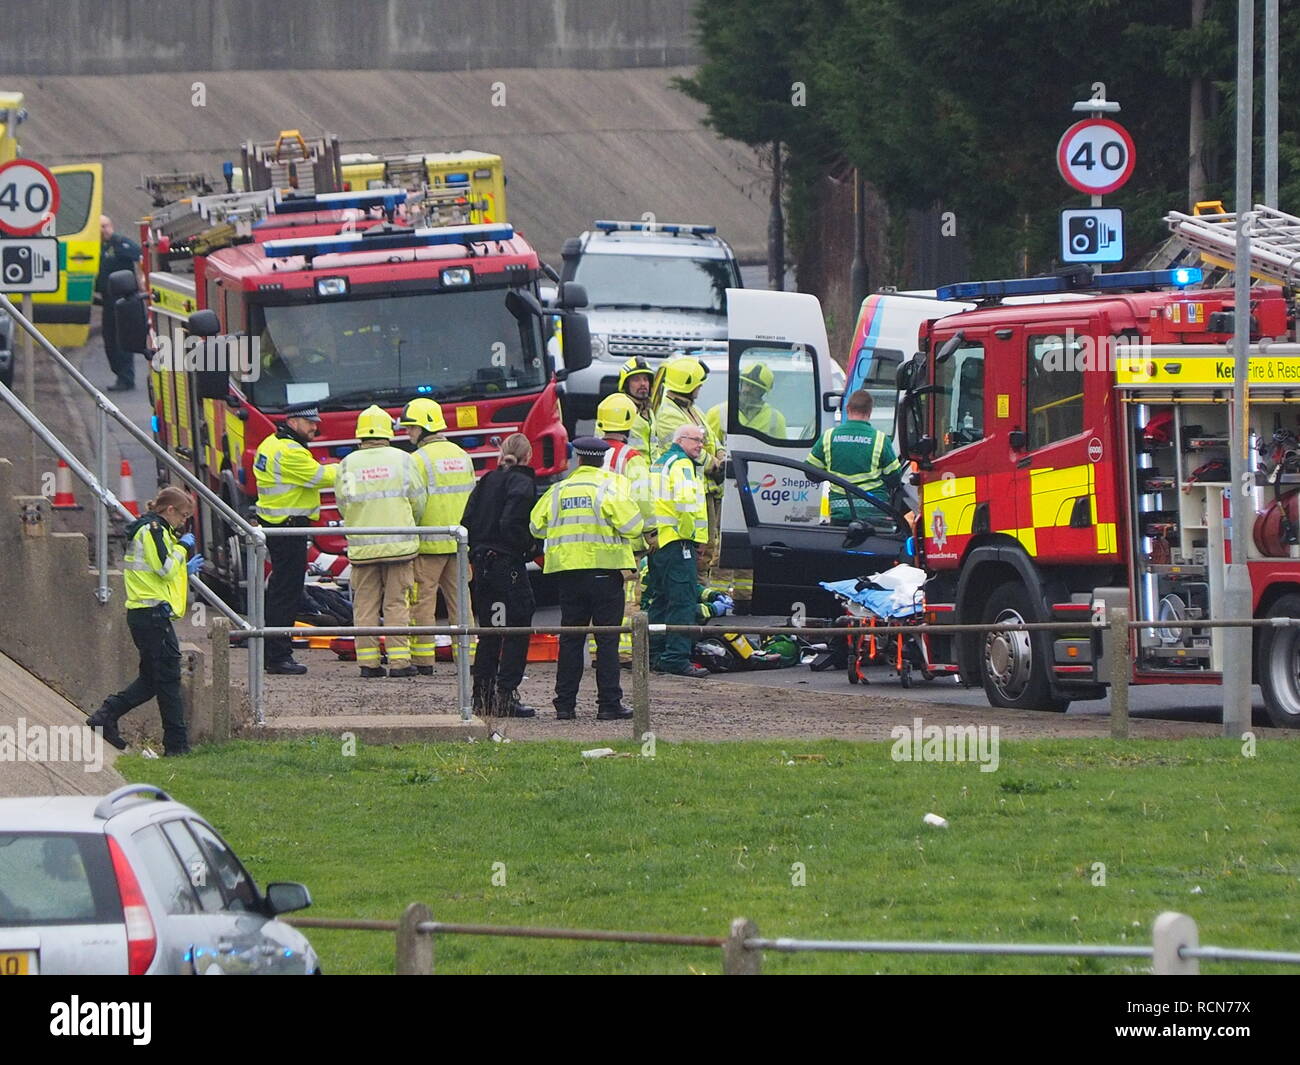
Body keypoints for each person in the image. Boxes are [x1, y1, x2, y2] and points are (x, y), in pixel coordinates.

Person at [530, 437, 644, 720]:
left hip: (569, 574)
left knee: (570, 639)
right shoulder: (610, 487)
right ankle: (608, 704)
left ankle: (565, 705)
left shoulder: (558, 490)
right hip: (605, 573)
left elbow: (535, 526)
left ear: (577, 459)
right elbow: (634, 526)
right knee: (607, 641)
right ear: (603, 460)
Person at [86, 486, 202, 756]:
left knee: (152, 679)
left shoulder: (153, 530)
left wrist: (183, 568)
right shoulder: (154, 531)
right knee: (168, 679)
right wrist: (183, 549)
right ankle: (177, 746)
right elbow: (163, 568)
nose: (183, 523)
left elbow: (155, 572)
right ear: (169, 510)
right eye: (183, 516)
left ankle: (105, 716)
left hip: (148, 614)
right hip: (151, 616)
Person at [335, 405, 426, 678]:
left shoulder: (347, 463)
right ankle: (399, 663)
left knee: (365, 604)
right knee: (397, 603)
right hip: (399, 546)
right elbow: (418, 500)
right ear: (388, 430)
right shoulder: (403, 459)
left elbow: (343, 504)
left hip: (363, 548)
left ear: (360, 433)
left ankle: (369, 664)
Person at [253, 402, 338, 675]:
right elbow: (320, 477)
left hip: (278, 525)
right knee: (286, 593)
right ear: (293, 422)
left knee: (281, 590)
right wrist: (350, 465)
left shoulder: (270, 443)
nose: (315, 427)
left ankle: (274, 652)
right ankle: (279, 656)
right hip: (288, 527)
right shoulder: (289, 451)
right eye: (310, 422)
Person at [461, 433, 539, 718]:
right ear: (528, 456)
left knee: (491, 631)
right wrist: (529, 547)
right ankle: (506, 693)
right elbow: (511, 523)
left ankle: (482, 696)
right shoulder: (523, 482)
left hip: (482, 565)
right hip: (507, 564)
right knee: (518, 627)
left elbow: (466, 521)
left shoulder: (486, 481)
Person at [400, 398, 475, 674]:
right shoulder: (461, 455)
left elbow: (415, 503)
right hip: (459, 544)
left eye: (411, 428)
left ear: (424, 427)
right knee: (462, 606)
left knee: (422, 605)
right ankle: (468, 660)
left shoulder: (417, 460)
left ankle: (423, 662)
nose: (408, 434)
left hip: (428, 545)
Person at [645, 424, 711, 678]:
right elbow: (685, 503)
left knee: (660, 600)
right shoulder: (682, 464)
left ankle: (654, 653)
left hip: (659, 543)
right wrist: (692, 537)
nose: (700, 446)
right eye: (696, 441)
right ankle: (676, 657)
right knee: (683, 600)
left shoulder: (660, 462)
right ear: (681, 440)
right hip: (678, 541)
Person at [596, 392, 658, 664]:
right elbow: (643, 498)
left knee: (598, 599)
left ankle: (597, 650)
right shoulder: (631, 457)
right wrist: (651, 530)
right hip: (626, 542)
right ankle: (624, 651)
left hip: (596, 540)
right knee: (629, 598)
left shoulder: (592, 453)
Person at [650, 356, 726, 575]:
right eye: (698, 385)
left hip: (704, 488)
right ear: (688, 384)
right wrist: (716, 466)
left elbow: (711, 437)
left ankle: (699, 592)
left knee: (708, 545)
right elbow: (691, 448)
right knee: (698, 548)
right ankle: (696, 592)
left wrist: (721, 454)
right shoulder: (668, 414)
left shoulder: (691, 409)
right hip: (689, 489)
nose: (700, 389)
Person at [807, 388, 904, 524]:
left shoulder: (828, 437)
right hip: (875, 512)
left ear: (847, 408)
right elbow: (894, 477)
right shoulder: (880, 439)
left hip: (840, 514)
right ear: (870, 411)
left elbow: (810, 472)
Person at [97, 215, 143, 392]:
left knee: (121, 340)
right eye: (100, 227)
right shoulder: (96, 247)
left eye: (106, 226)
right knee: (109, 341)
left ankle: (126, 378)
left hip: (123, 300)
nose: (104, 230)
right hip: (107, 301)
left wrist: (142, 280)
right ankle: (118, 373)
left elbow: (138, 254)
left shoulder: (119, 244)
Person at [705, 362, 788, 440]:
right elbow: (708, 447)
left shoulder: (776, 419)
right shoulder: (717, 413)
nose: (748, 389)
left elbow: (782, 451)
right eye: (746, 384)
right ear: (740, 384)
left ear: (762, 391)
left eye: (754, 387)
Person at [617, 356, 655, 456]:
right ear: (626, 384)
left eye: (645, 379)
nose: (643, 384)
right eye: (636, 380)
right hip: (630, 468)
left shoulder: (648, 410)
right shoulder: (619, 410)